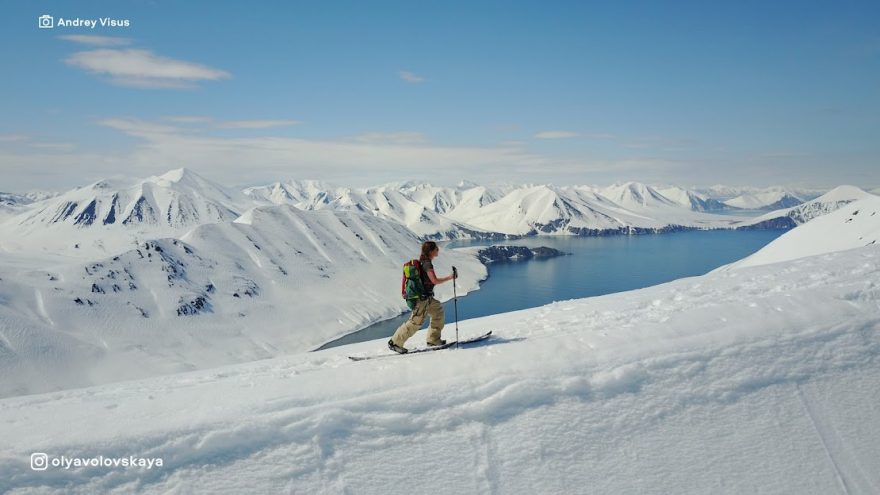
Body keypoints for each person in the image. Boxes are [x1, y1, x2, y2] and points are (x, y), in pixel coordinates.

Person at [388, 241, 457, 353]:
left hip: (427, 297)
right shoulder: (427, 264)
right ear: (431, 251)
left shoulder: (424, 261)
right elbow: (434, 280)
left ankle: (433, 340)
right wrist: (450, 277)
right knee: (416, 322)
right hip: (421, 299)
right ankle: (395, 342)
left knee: (438, 312)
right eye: (436, 249)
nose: (438, 251)